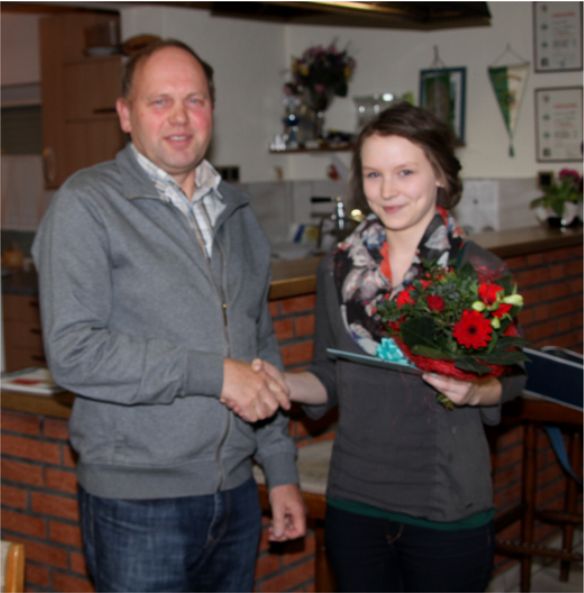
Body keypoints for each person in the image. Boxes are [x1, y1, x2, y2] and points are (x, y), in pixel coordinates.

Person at [32, 39, 305, 593]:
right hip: (136, 504)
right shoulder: (87, 204)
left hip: (235, 495)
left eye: (194, 100)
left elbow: (260, 346)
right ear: (125, 115)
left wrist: (279, 469)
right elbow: (74, 352)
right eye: (160, 101)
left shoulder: (237, 211)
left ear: (211, 111)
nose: (180, 117)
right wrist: (215, 374)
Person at [255, 102, 526, 592]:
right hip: (355, 497)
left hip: (446, 504)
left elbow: (512, 378)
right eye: (374, 174)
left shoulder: (477, 271)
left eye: (405, 172)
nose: (387, 190)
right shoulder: (338, 267)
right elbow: (329, 374)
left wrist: (475, 390)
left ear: (440, 174)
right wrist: (282, 383)